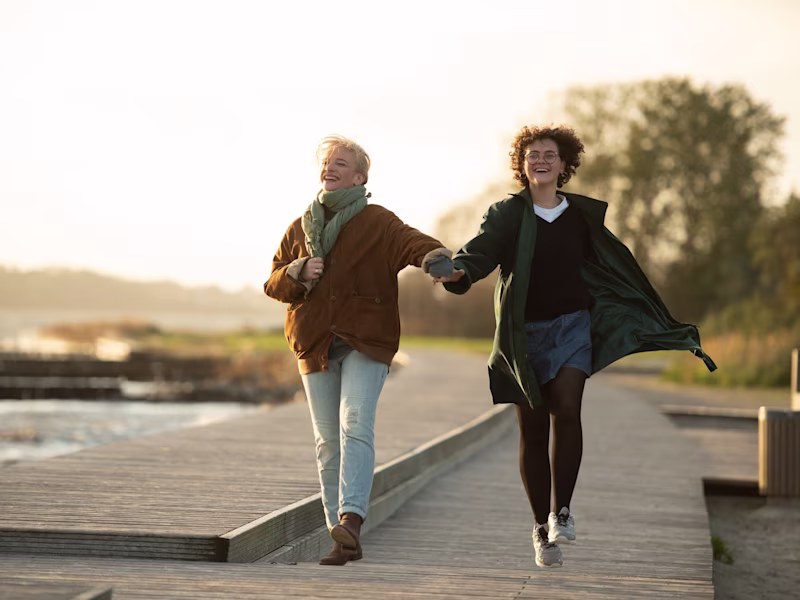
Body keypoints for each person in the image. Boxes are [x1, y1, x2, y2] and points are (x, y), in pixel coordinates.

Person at [432, 125, 715, 568]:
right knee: (532, 426)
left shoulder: (581, 216)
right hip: (522, 335)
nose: (540, 160)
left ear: (565, 165)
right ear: (522, 166)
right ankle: (541, 531)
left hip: (572, 327)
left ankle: (562, 511)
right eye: (531, 156)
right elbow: (479, 252)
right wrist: (456, 273)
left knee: (567, 404)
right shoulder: (508, 213)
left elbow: (612, 268)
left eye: (549, 154)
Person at [264, 135, 451, 566]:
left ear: (360, 176)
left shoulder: (377, 221)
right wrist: (297, 271)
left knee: (355, 424)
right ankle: (340, 537)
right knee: (327, 441)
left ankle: (351, 520)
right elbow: (273, 282)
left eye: (341, 163)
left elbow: (412, 242)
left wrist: (437, 260)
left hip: (366, 339)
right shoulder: (300, 227)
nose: (330, 168)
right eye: (327, 162)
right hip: (314, 342)